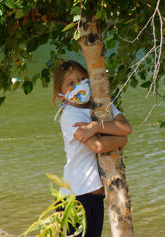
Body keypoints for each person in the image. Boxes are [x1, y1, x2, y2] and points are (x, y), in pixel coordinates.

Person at [53, 60, 132, 237]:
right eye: (71, 83)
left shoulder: (102, 105)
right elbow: (97, 146)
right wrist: (120, 138)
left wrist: (95, 127)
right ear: (61, 94)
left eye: (82, 78)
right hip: (76, 197)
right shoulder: (70, 114)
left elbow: (126, 128)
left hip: (95, 197)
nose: (78, 85)